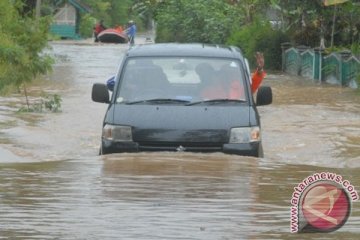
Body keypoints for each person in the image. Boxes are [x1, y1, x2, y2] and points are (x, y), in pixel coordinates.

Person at [199, 52, 266, 99]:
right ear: (221, 75)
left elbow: (253, 85)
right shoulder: (207, 91)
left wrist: (260, 69)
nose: (231, 75)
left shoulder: (239, 88)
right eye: (227, 73)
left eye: (233, 73)